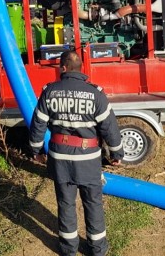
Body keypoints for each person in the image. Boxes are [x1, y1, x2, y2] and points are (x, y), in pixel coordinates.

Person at [29, 51, 124, 256]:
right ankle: (97, 249)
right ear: (81, 69)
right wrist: (116, 153)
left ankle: (68, 249)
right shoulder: (95, 94)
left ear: (63, 68)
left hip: (60, 159)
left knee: (65, 203)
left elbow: (38, 124)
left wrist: (36, 151)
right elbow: (110, 127)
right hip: (88, 160)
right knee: (93, 203)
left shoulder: (50, 92)